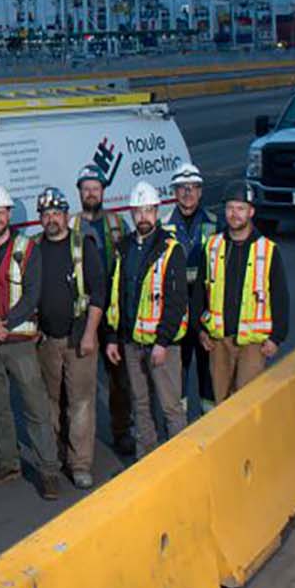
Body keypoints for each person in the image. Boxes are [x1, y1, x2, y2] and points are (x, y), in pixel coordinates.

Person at [0, 184, 60, 499]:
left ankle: (49, 470)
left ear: (8, 214)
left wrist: (3, 324)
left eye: (0, 212)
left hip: (19, 340)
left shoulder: (28, 249)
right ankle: (9, 463)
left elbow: (32, 294)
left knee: (35, 407)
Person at [26, 187, 107, 489]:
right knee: (51, 402)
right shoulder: (33, 248)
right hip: (46, 339)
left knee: (81, 402)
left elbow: (99, 293)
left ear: (66, 216)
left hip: (78, 337)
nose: (51, 219)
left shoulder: (82, 246)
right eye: (46, 214)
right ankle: (57, 455)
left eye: (56, 213)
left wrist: (90, 334)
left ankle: (81, 463)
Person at [105, 182, 189, 457]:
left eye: (148, 211)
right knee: (140, 404)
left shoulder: (170, 249)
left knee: (170, 406)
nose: (143, 217)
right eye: (138, 211)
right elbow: (116, 294)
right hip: (131, 342)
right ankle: (148, 459)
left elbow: (176, 302)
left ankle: (180, 460)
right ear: (131, 213)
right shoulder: (124, 247)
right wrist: (112, 338)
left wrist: (162, 342)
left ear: (157, 212)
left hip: (161, 345)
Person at [199, 182, 291, 402]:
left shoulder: (267, 250)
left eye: (240, 209)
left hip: (253, 343)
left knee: (246, 401)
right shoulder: (212, 246)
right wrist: (200, 329)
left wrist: (276, 338)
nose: (234, 214)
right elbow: (200, 293)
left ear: (251, 212)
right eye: (230, 208)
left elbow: (280, 296)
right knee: (221, 401)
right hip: (219, 340)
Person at [72, 164, 135, 457]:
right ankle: (78, 441)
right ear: (80, 192)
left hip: (113, 313)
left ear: (103, 192)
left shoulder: (117, 224)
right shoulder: (71, 225)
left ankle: (122, 431)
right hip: (82, 312)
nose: (91, 193)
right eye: (86, 189)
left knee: (118, 378)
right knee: (77, 382)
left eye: (95, 188)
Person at [163, 163, 219, 420]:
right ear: (174, 192)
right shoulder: (164, 227)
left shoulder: (215, 224)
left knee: (208, 372)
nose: (187, 193)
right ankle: (180, 426)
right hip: (177, 309)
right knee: (179, 371)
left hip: (206, 309)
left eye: (193, 188)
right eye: (182, 188)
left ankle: (211, 421)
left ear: (201, 191)